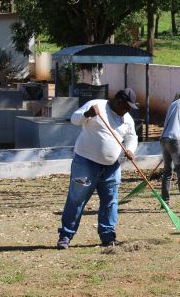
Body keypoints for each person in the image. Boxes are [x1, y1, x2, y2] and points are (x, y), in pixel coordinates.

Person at [57, 88, 139, 249]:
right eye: (126, 106)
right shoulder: (96, 106)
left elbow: (132, 137)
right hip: (85, 162)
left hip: (111, 167)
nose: (128, 110)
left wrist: (130, 150)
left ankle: (108, 236)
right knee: (77, 199)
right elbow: (74, 119)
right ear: (118, 101)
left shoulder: (127, 119)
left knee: (110, 201)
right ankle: (65, 235)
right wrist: (87, 114)